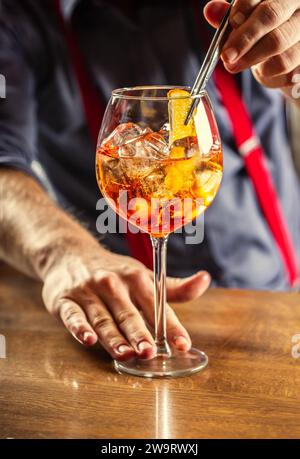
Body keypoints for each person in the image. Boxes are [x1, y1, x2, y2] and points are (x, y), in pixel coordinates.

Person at [0, 0, 300, 361]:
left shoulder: (232, 6)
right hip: (125, 314)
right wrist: (61, 252)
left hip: (284, 305)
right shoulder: (17, 17)